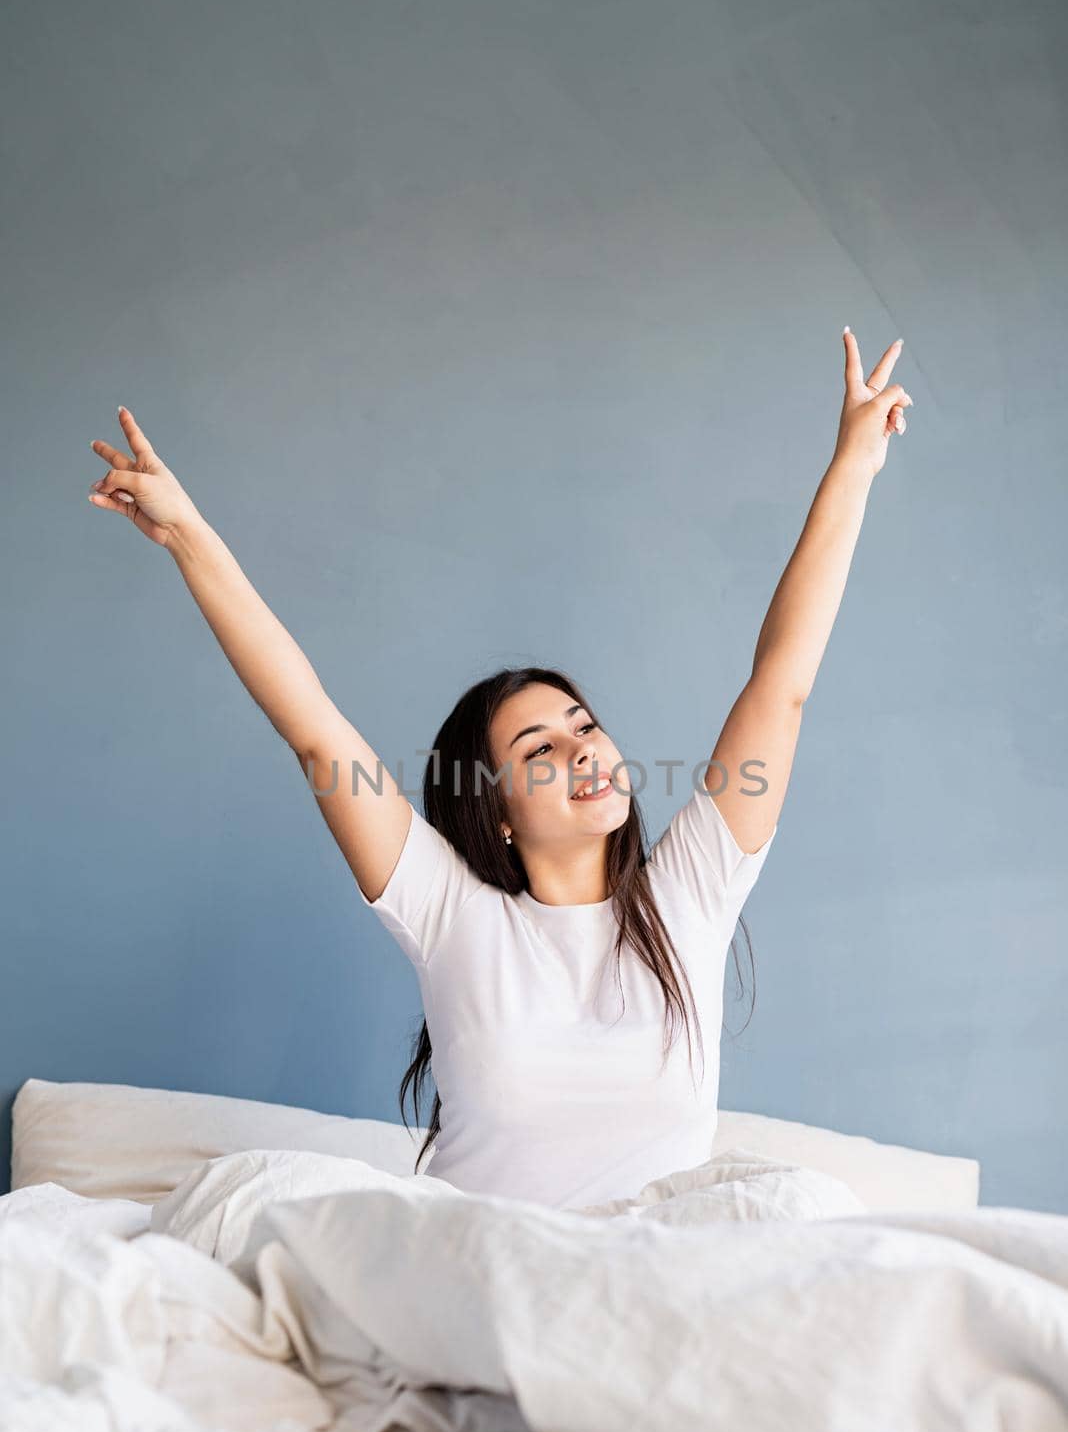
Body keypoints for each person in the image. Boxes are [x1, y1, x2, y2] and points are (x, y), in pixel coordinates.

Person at [87, 328, 912, 1208]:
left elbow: (780, 684)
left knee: (800, 1204)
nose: (583, 749)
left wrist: (853, 465)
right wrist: (188, 538)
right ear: (499, 811)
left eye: (583, 725)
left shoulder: (690, 896)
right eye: (539, 751)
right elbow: (317, 732)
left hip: (648, 1273)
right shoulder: (453, 915)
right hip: (480, 1269)